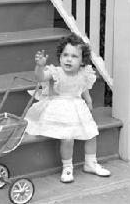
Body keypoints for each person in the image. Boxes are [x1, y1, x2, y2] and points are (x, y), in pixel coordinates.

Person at [25, 34, 111, 183]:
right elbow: (40, 78)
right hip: (59, 108)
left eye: (74, 56)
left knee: (91, 133)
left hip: (78, 108)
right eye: (65, 55)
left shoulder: (83, 74)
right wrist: (40, 66)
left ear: (82, 61)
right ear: (60, 56)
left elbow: (84, 89)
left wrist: (89, 102)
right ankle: (67, 166)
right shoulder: (56, 72)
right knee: (68, 138)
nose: (68, 59)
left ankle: (90, 162)